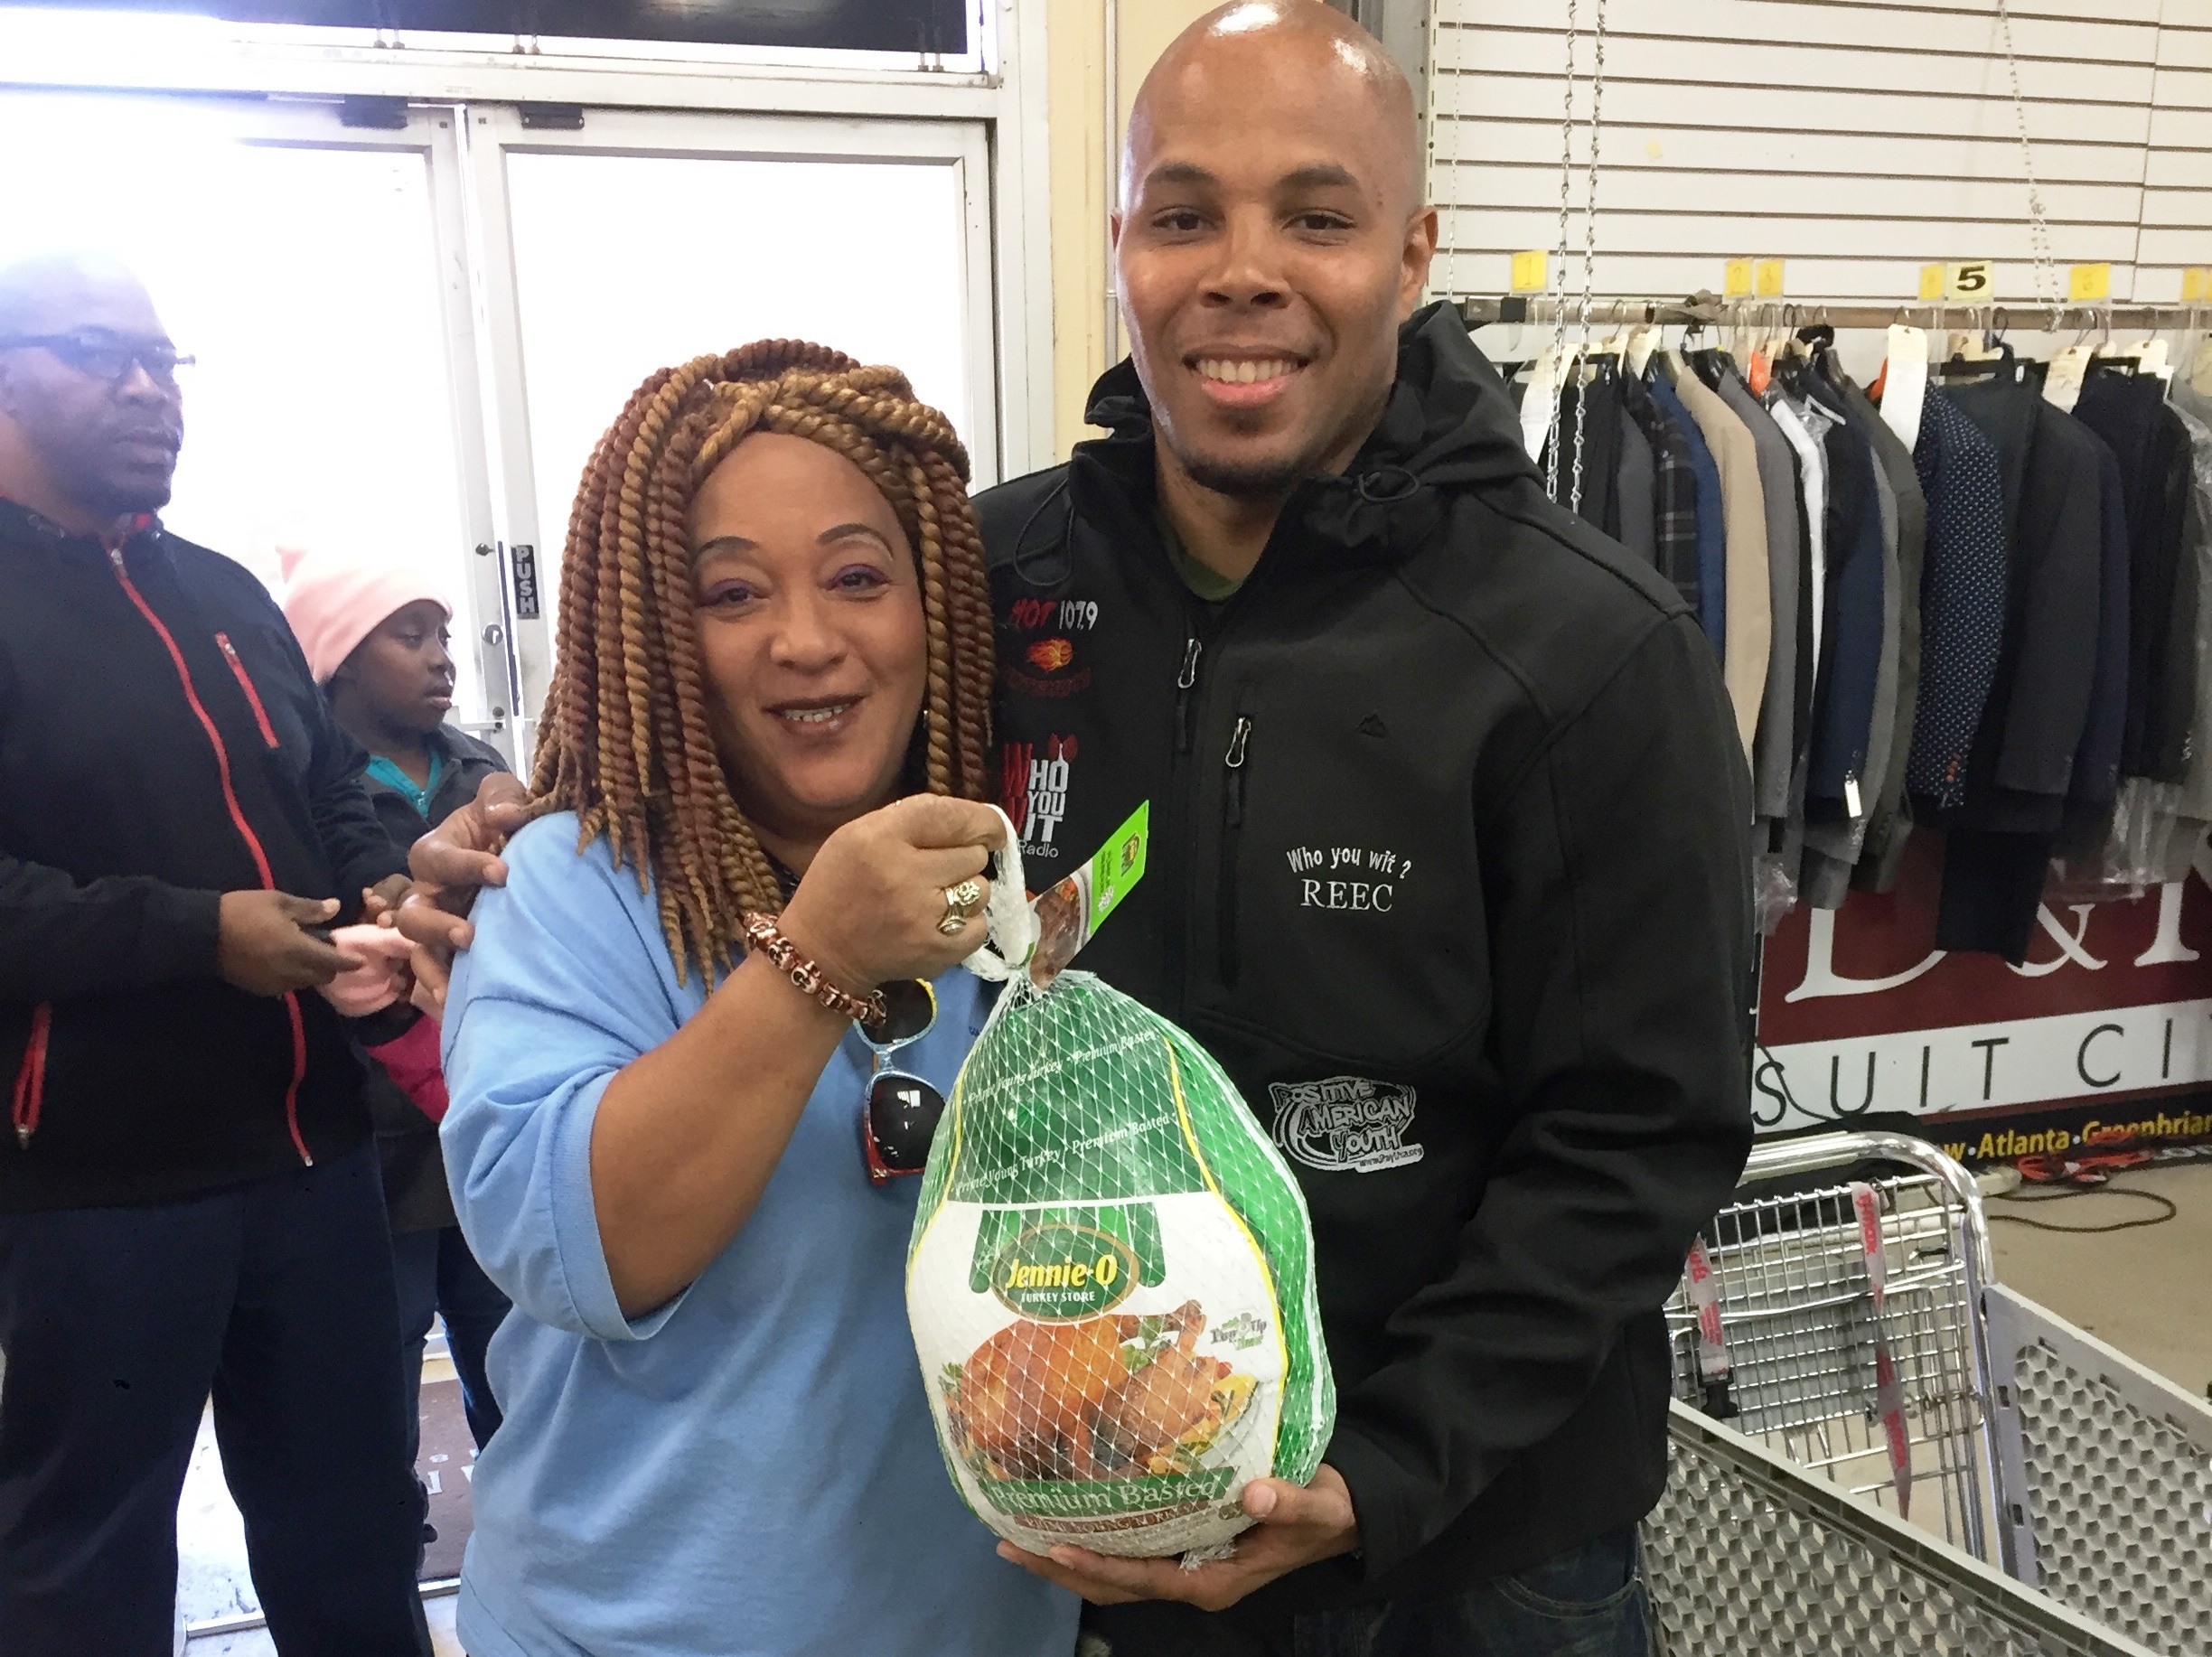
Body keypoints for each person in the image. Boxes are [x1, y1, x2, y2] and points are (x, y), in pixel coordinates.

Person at [408, 9, 1755, 1652]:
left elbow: (1637, 1130)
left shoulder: (1586, 650)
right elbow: (735, 702)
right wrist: (517, 833)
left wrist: (1387, 1470)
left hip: (1460, 1544)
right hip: (1102, 1521)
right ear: (1119, 244)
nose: (1242, 271)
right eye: (1184, 214)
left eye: (1314, 216)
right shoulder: (993, 581)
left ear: (1412, 253)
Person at [432, 342, 1078, 1657]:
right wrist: (817, 954)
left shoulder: (1010, 870)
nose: (807, 639)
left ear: (935, 608)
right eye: (732, 593)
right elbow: (577, 1247)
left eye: (859, 577)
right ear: (658, 634)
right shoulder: (569, 884)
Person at [0, 252, 430, 1652]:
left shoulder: (225, 590)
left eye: (165, 362)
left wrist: (380, 886)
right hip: (100, 1183)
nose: (150, 390)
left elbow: (328, 788)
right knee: (90, 1553)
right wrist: (200, 933)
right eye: (100, 354)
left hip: (316, 1155)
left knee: (355, 1519)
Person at [279, 547, 511, 1469]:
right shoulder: (307, 795)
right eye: (409, 637)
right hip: (372, 1131)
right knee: (378, 1358)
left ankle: (522, 1509)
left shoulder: (484, 773)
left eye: (443, 636)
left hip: (482, 1110)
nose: (441, 658)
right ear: (338, 661)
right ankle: (392, 1517)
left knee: (510, 1347)